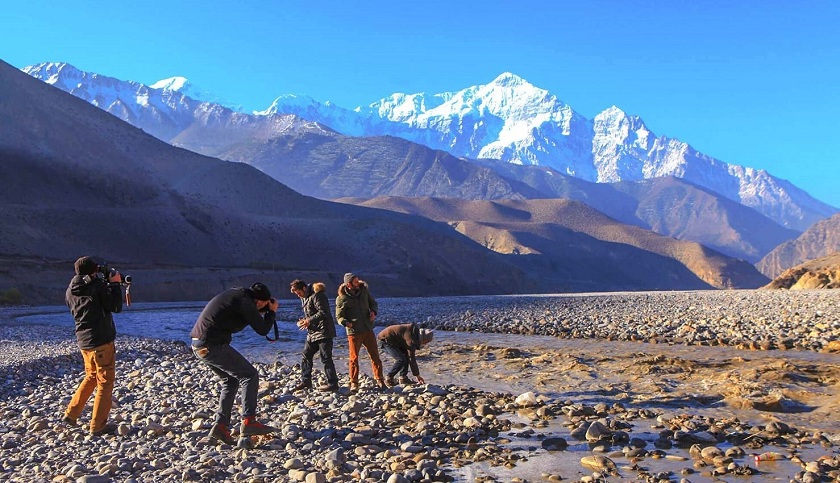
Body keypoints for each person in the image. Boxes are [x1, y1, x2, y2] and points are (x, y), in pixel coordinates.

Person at [190, 283, 279, 444]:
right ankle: (249, 421)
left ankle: (220, 427)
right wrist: (271, 312)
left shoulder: (237, 296)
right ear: (259, 302)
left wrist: (265, 310)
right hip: (212, 345)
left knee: (230, 381)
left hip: (199, 345)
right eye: (263, 305)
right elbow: (263, 329)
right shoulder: (245, 301)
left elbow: (248, 318)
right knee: (249, 375)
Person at [63, 256, 124, 436]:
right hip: (101, 340)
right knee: (105, 381)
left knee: (91, 376)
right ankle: (98, 426)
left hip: (84, 341)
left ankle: (71, 414)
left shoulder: (70, 290)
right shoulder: (95, 287)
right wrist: (114, 285)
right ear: (92, 270)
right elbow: (115, 306)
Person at [335, 272, 385, 392]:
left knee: (375, 356)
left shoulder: (364, 292)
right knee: (354, 358)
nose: (358, 283)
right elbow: (339, 316)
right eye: (355, 281)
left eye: (358, 281)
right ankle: (354, 383)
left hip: (368, 328)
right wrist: (345, 322)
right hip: (354, 331)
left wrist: (373, 311)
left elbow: (373, 303)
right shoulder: (342, 298)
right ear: (349, 284)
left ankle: (380, 380)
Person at [290, 279, 339, 392]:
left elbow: (324, 312)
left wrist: (309, 321)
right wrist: (305, 322)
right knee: (306, 355)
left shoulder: (318, 296)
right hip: (313, 333)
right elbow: (312, 314)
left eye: (299, 293)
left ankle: (333, 384)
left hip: (324, 332)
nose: (298, 296)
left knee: (326, 358)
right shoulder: (305, 298)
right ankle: (306, 381)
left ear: (304, 288)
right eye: (296, 294)